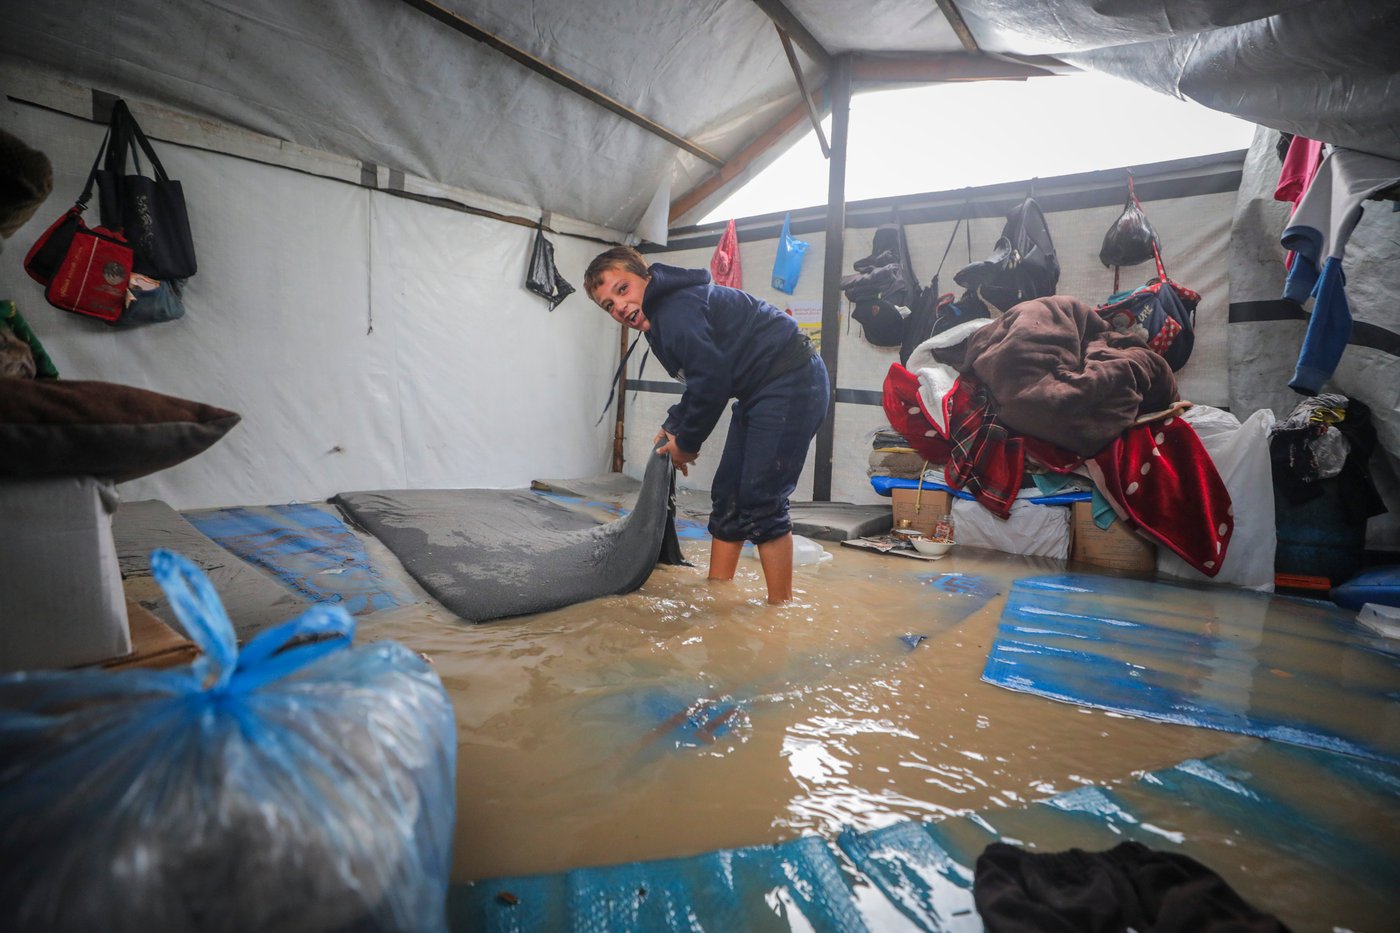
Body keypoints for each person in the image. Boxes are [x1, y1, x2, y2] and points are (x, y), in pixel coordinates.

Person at [584, 246, 829, 604]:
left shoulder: (674, 312)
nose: (619, 307)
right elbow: (701, 378)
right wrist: (675, 424)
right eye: (609, 305)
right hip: (758, 390)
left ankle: (781, 608)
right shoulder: (661, 315)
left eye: (623, 290)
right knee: (728, 494)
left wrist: (687, 444)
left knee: (761, 498)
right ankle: (718, 592)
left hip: (792, 380)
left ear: (646, 276)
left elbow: (712, 385)